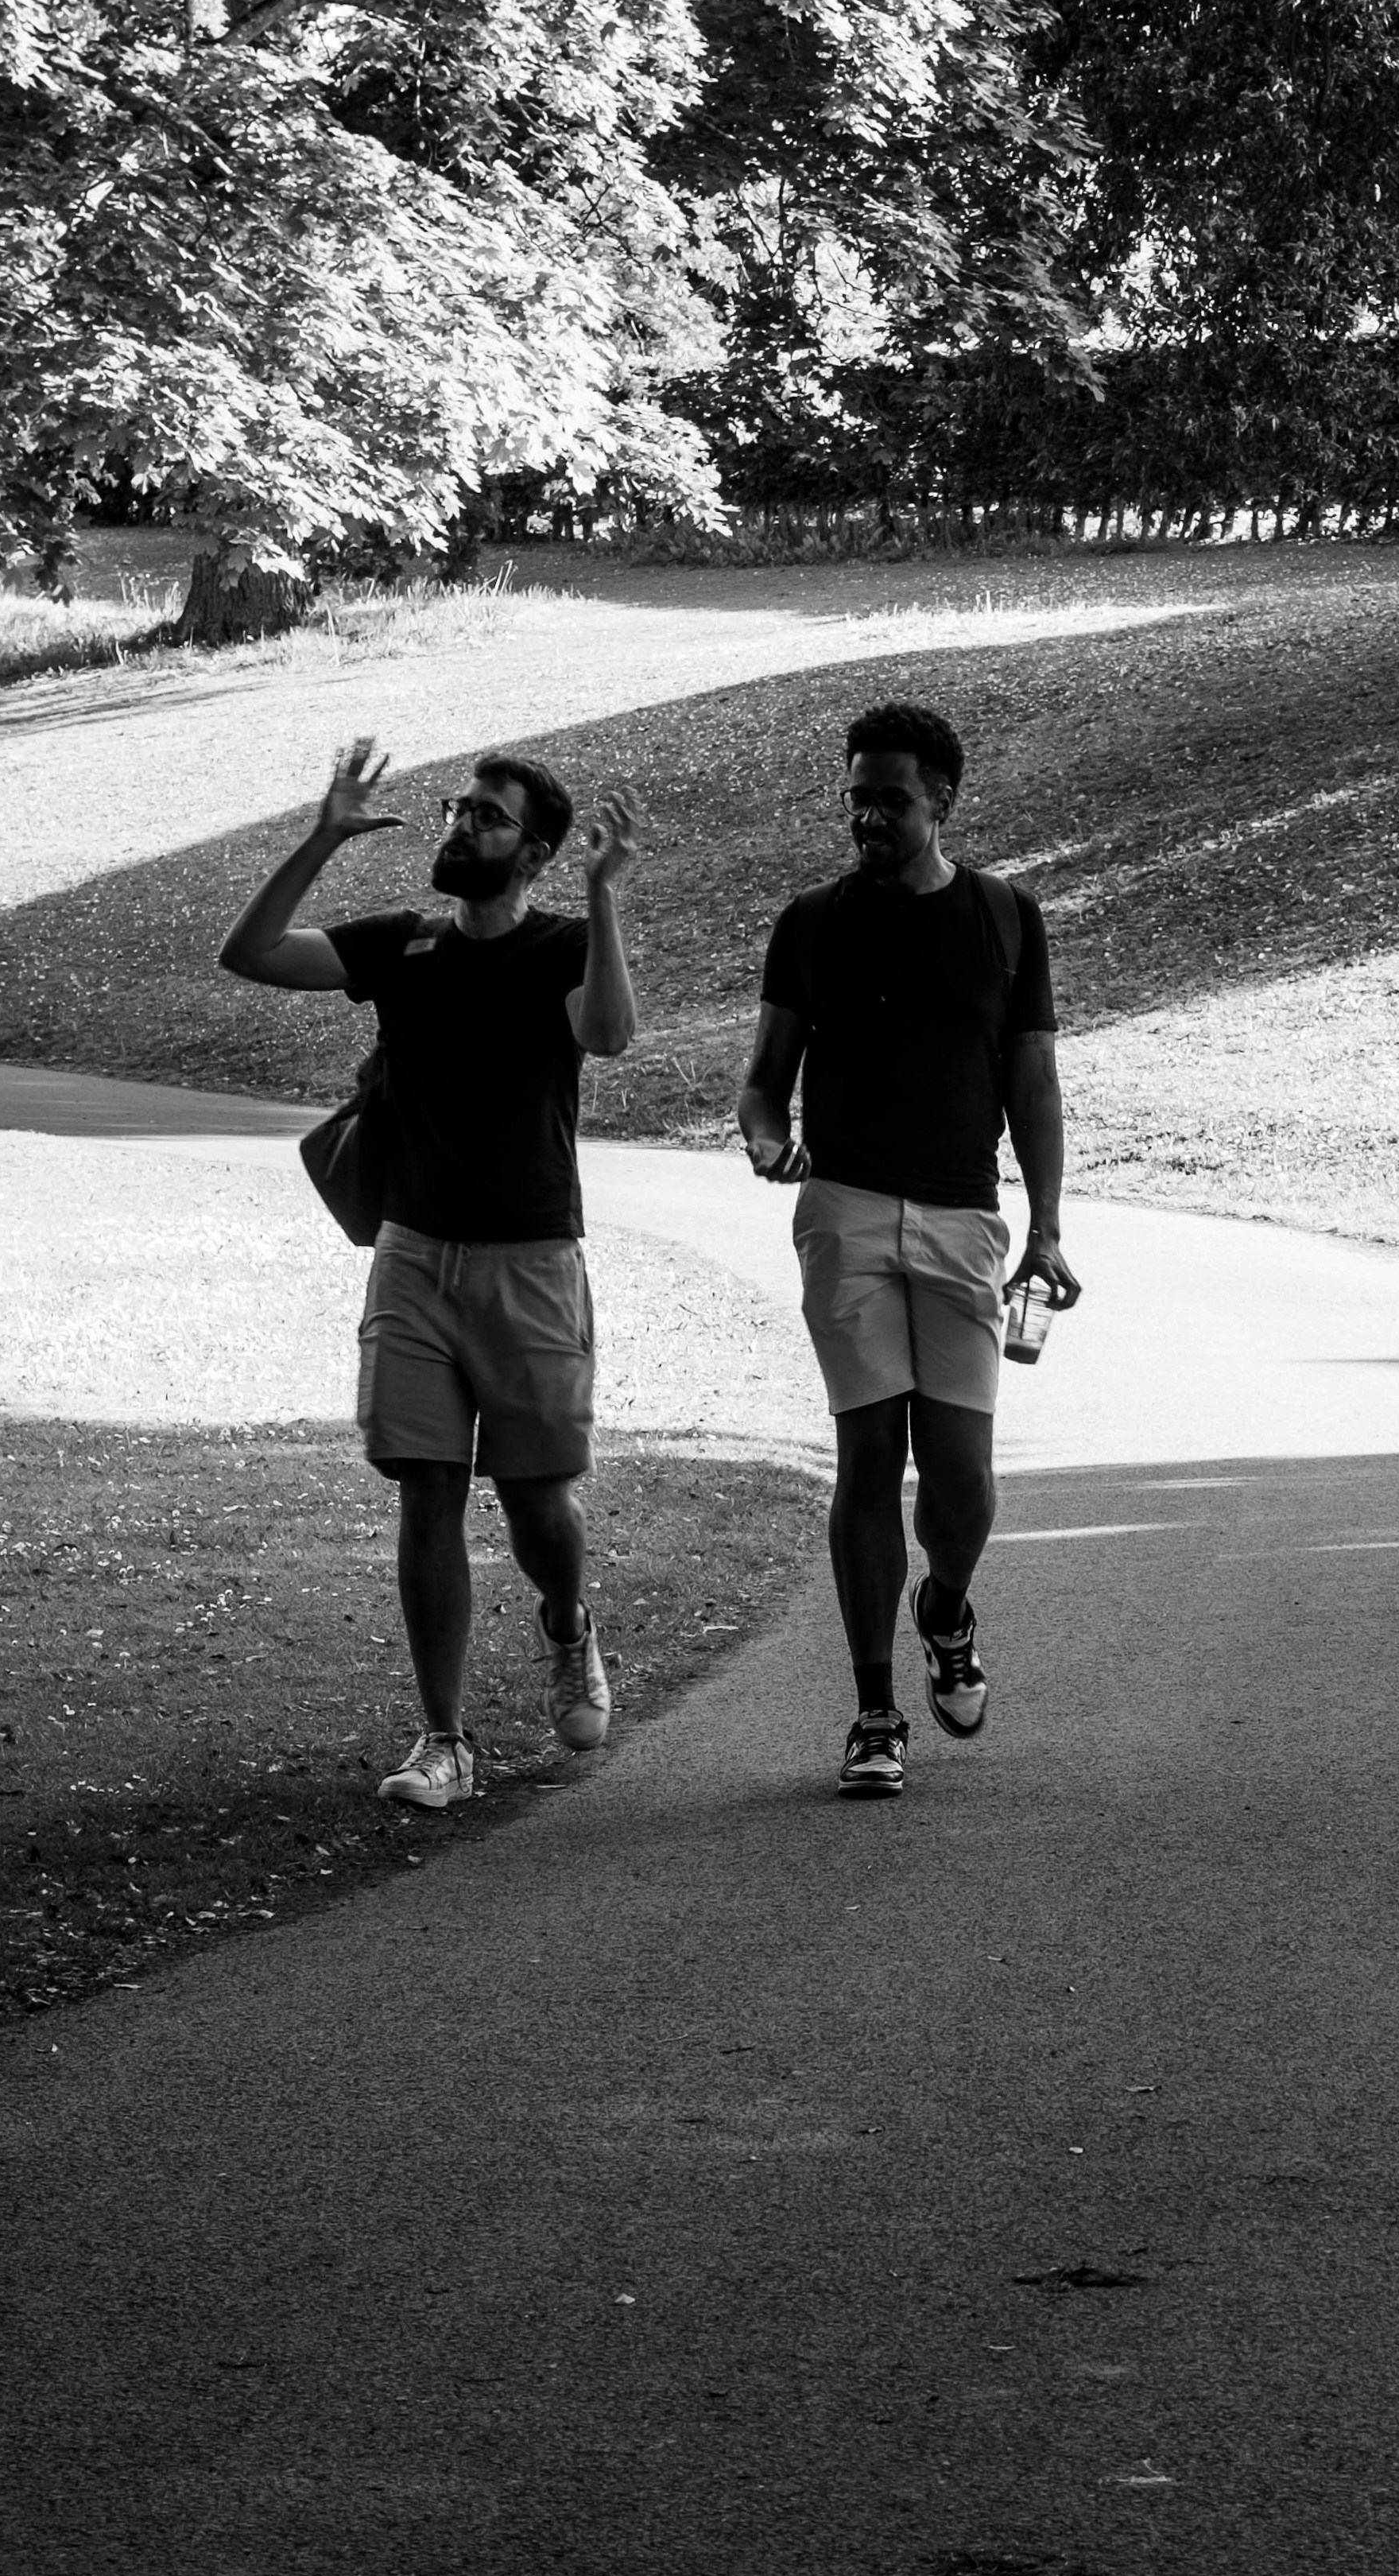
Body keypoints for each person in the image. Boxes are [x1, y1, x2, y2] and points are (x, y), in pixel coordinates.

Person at [220, 735, 640, 1810]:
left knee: (542, 1508)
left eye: (487, 816)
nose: (459, 825)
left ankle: (566, 1620)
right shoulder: (402, 947)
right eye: (458, 808)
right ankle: (444, 1740)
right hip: (410, 1257)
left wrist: (602, 902)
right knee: (429, 1491)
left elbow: (609, 1034)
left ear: (536, 853)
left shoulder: (556, 946)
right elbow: (253, 953)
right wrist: (321, 837)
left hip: (532, 1263)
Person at [738, 698, 1078, 1798]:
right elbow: (762, 1078)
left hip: (962, 1218)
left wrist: (1048, 1230)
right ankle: (874, 1710)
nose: (868, 816)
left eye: (890, 797)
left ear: (942, 799)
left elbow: (1031, 1079)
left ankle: (945, 1606)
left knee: (964, 1474)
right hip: (841, 1211)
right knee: (869, 1458)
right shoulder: (810, 921)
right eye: (856, 796)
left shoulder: (1006, 916)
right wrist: (764, 1135)